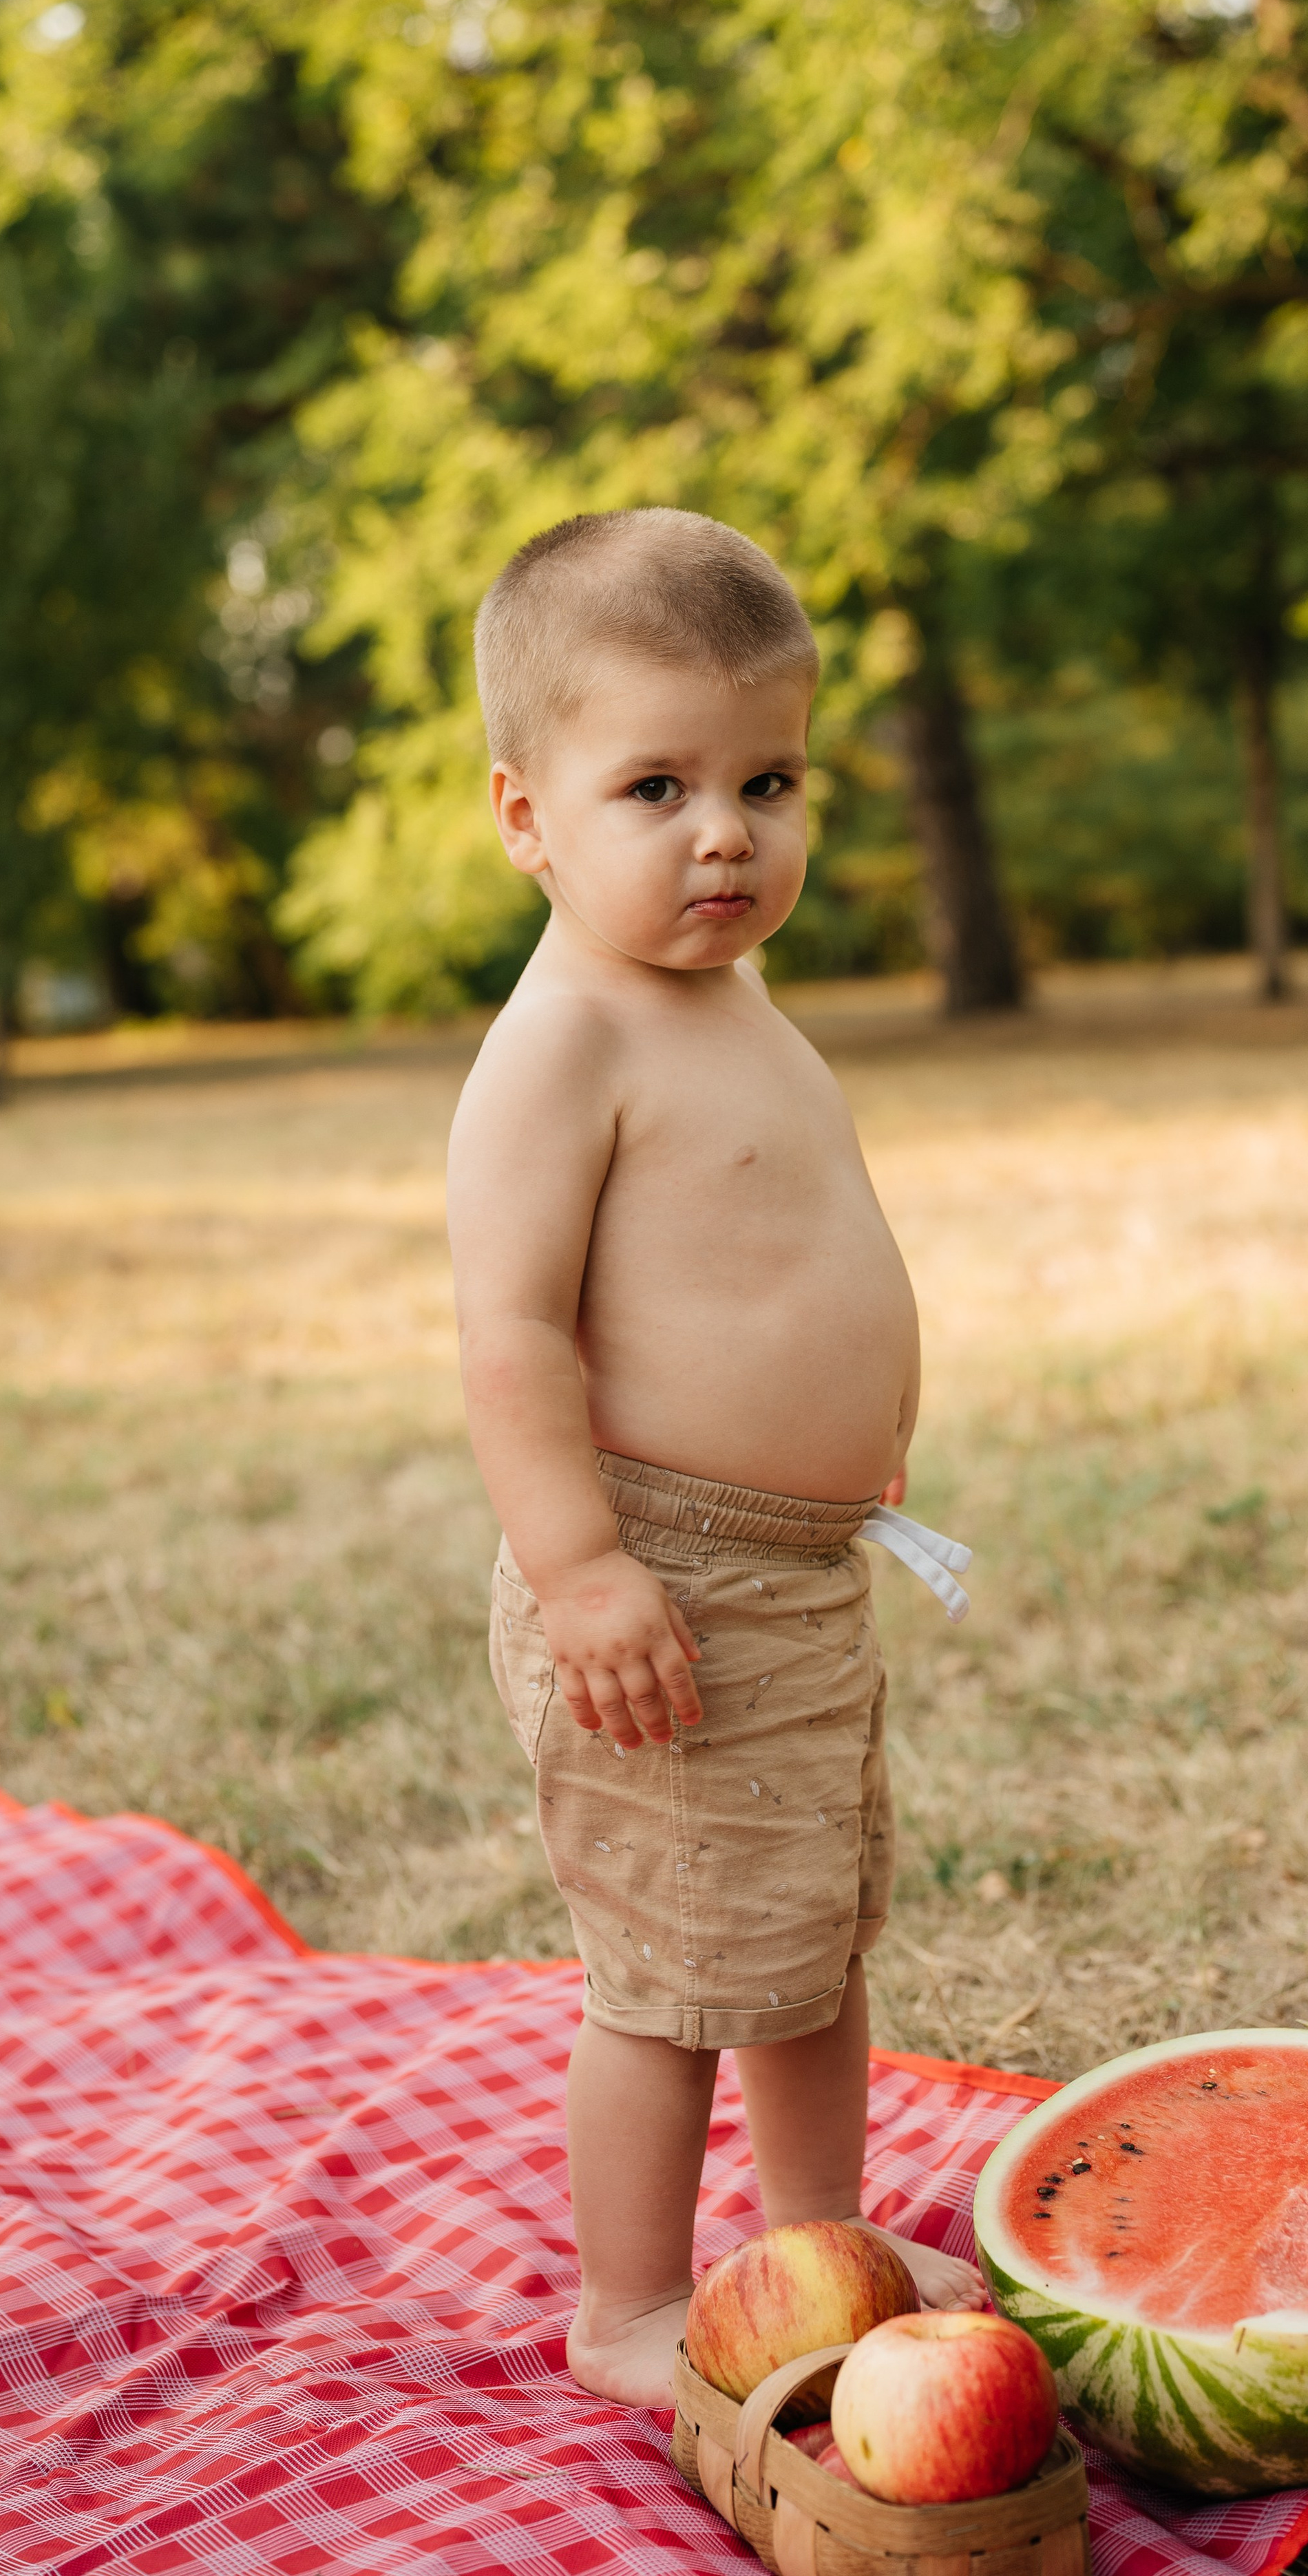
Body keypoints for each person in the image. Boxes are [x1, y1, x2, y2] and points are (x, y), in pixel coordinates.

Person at [446, 507, 985, 2410]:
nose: (725, 833)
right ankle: (626, 2306)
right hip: (660, 1583)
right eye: (656, 785)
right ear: (528, 817)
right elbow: (510, 1331)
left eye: (768, 780)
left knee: (808, 1938)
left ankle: (815, 2237)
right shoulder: (564, 1037)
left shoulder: (733, 995)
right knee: (674, 1976)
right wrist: (586, 1570)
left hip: (796, 1576)